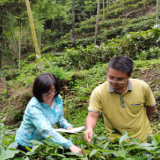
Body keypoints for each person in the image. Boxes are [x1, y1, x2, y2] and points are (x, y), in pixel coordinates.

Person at [83, 55, 156, 143]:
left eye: (120, 79)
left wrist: (144, 120)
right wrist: (89, 128)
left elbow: (151, 107)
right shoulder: (99, 92)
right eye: (111, 77)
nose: (114, 82)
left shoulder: (142, 87)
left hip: (143, 140)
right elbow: (92, 116)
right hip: (116, 143)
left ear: (129, 76)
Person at [15, 73, 82, 158]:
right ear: (38, 91)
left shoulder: (57, 100)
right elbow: (46, 130)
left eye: (52, 91)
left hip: (43, 145)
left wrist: (66, 125)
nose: (50, 95)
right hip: (27, 146)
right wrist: (70, 145)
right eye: (45, 92)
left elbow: (59, 117)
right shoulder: (34, 106)